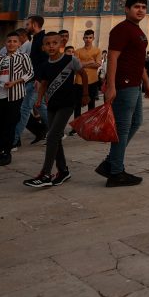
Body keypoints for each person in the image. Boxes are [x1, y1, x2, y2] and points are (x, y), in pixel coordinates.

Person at [98, 0, 149, 187]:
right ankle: (115, 172)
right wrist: (111, 86)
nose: (140, 10)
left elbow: (138, 60)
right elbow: (112, 58)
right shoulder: (121, 30)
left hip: (135, 84)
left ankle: (111, 162)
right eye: (136, 7)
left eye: (143, 7)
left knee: (136, 122)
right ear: (126, 9)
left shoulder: (136, 30)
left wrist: (146, 81)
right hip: (124, 84)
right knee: (122, 127)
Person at [25, 32, 90, 189]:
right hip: (52, 104)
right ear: (43, 47)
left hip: (67, 104)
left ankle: (46, 174)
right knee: (55, 137)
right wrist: (39, 99)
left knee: (52, 135)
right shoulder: (45, 65)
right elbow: (44, 84)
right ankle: (63, 171)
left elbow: (83, 74)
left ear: (61, 43)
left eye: (54, 43)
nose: (51, 46)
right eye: (48, 44)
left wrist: (85, 93)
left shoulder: (70, 60)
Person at [0, 33, 33, 167]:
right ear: (5, 43)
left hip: (14, 95)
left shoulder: (23, 57)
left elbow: (29, 73)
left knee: (9, 124)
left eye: (14, 41)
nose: (11, 44)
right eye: (9, 41)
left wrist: (15, 82)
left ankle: (7, 152)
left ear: (19, 44)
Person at [16, 15, 48, 147]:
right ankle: (57, 130)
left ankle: (13, 140)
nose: (26, 27)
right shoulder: (36, 39)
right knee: (38, 106)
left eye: (27, 24)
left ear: (34, 24)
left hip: (37, 80)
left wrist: (39, 79)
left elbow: (44, 61)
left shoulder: (43, 39)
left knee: (24, 108)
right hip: (33, 78)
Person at [71, 30, 102, 129]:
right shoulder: (78, 51)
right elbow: (76, 66)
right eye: (86, 37)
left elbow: (98, 64)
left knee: (91, 103)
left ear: (93, 38)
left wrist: (83, 63)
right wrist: (90, 62)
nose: (88, 40)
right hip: (79, 80)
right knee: (77, 105)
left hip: (93, 80)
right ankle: (76, 127)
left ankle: (90, 126)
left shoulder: (97, 50)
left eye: (90, 38)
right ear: (83, 38)